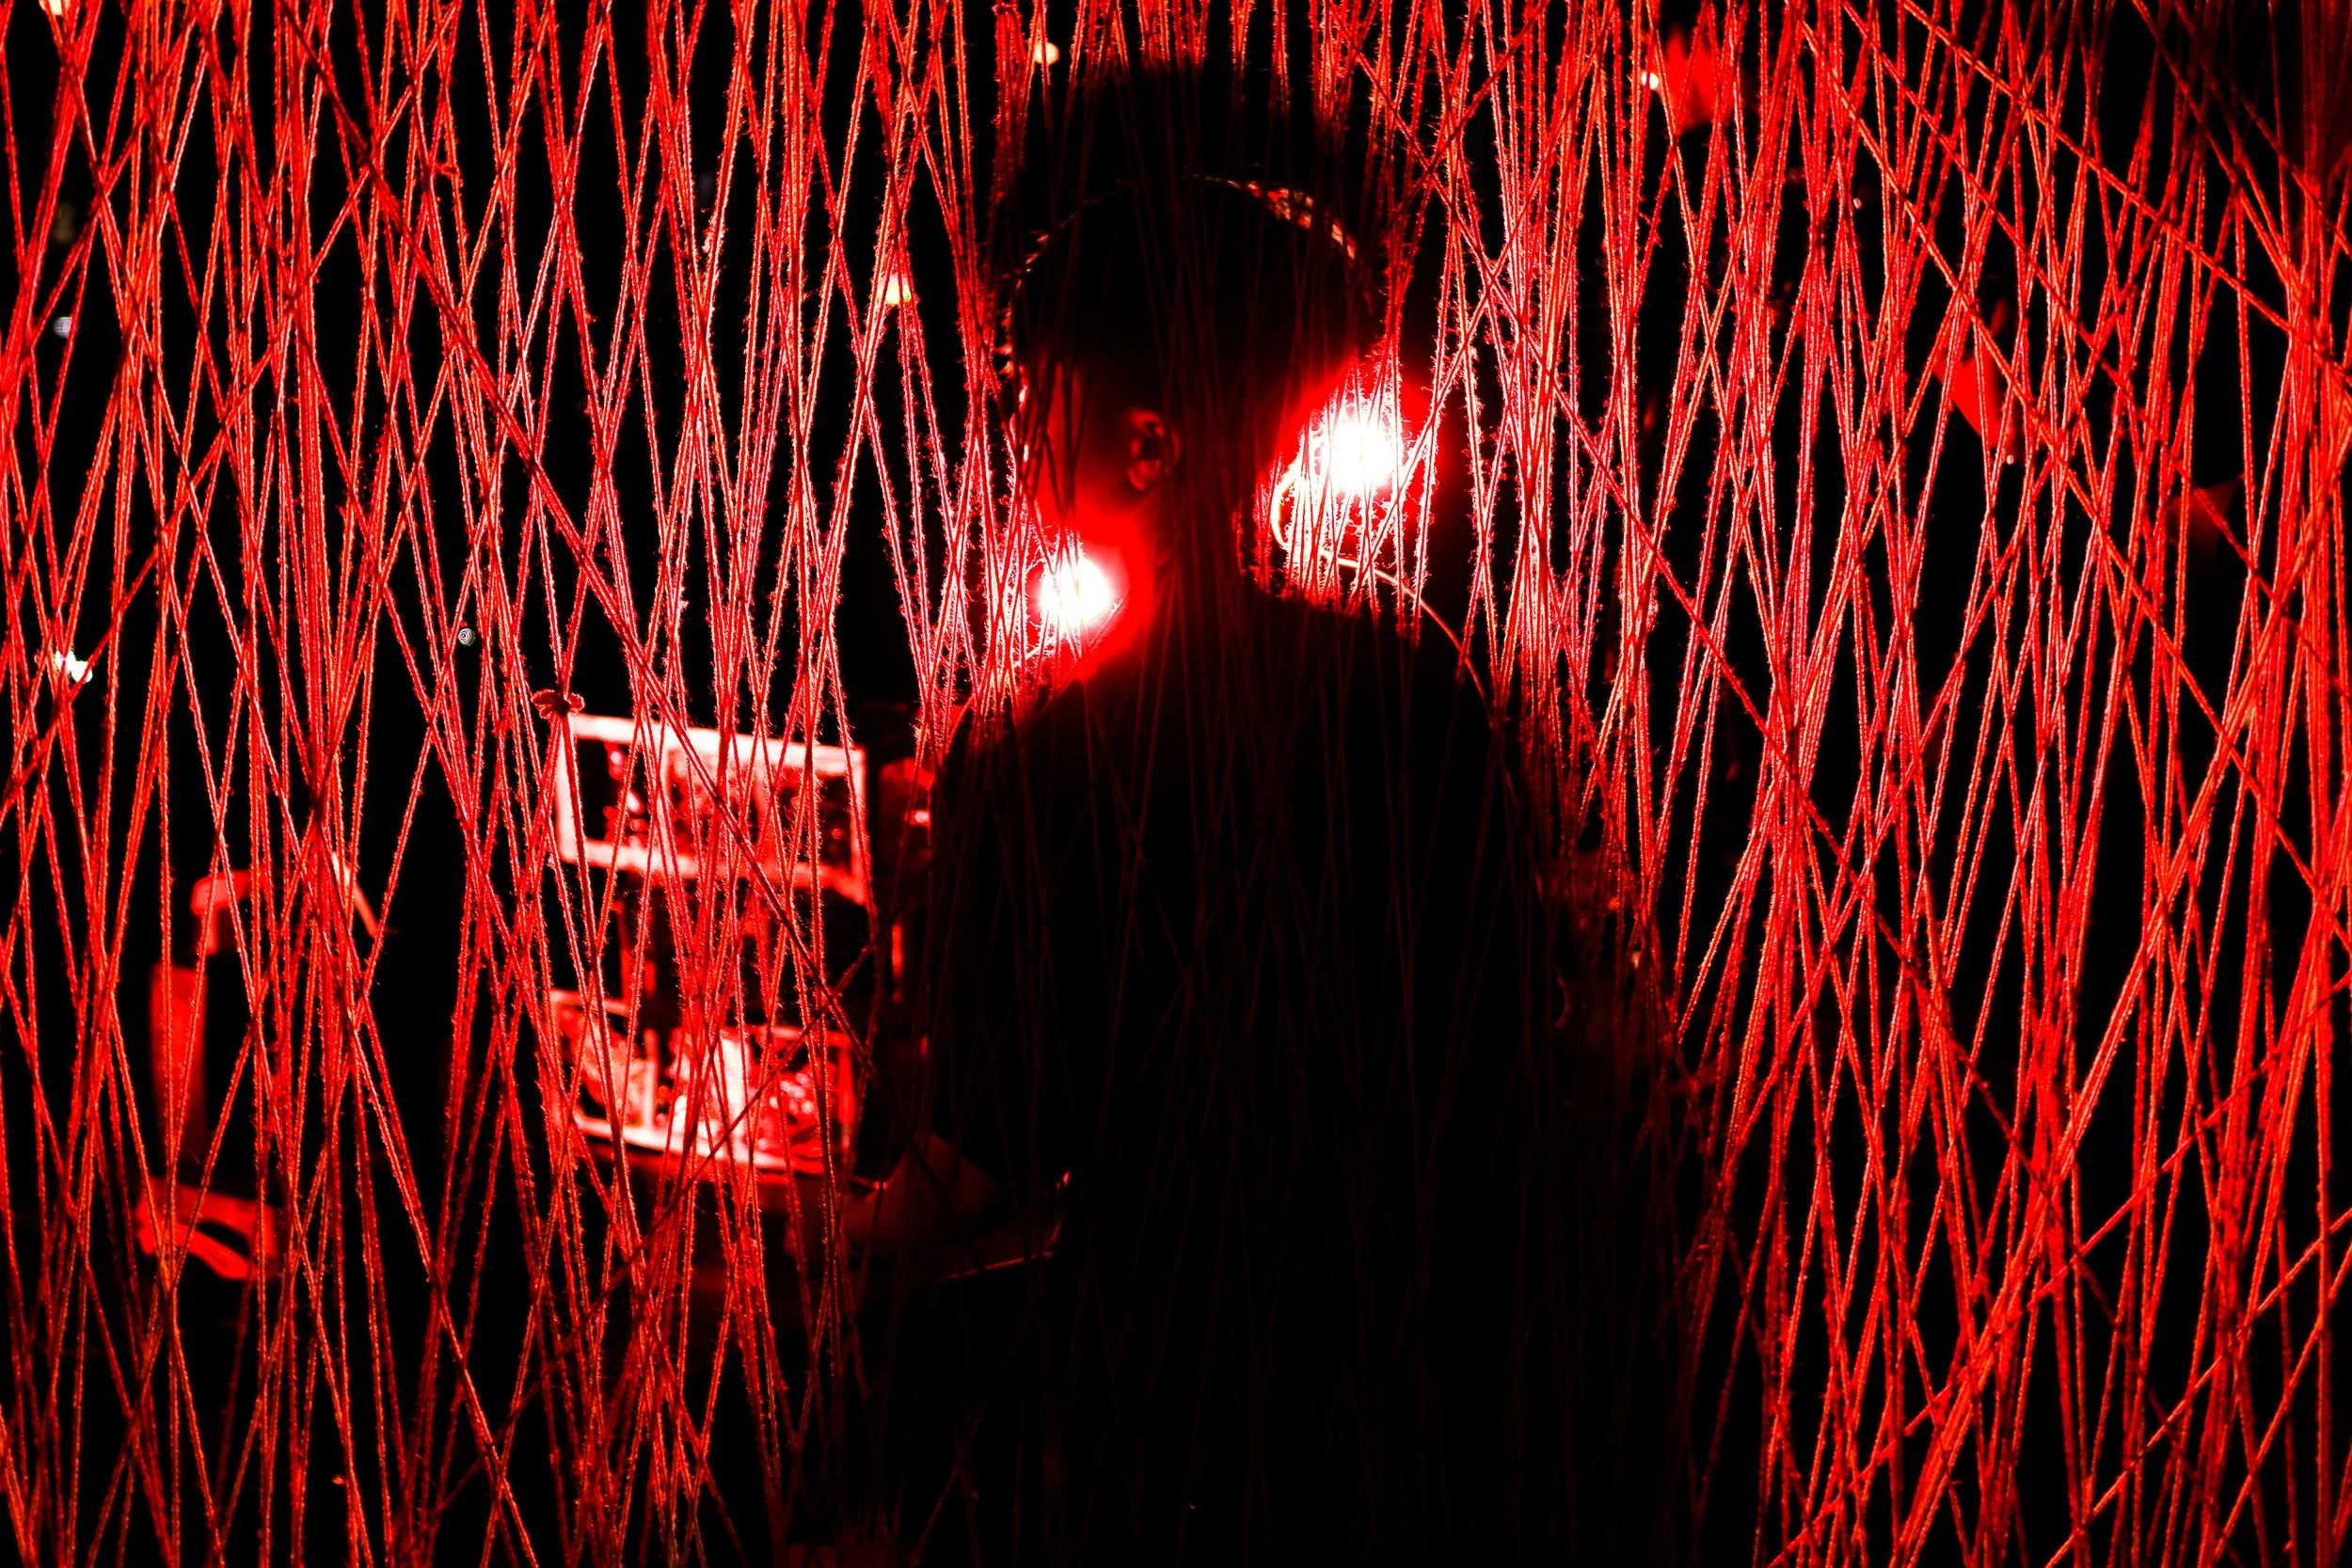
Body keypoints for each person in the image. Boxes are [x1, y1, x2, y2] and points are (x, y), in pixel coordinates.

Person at [855, 132, 1561, 1565]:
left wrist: (808, 1253)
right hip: (1437, 1430)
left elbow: (989, 1160)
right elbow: (1504, 1076)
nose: (1014, 441)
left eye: (1036, 400)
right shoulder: (1430, 698)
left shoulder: (1049, 757)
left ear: (1146, 441)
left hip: (1171, 1445)